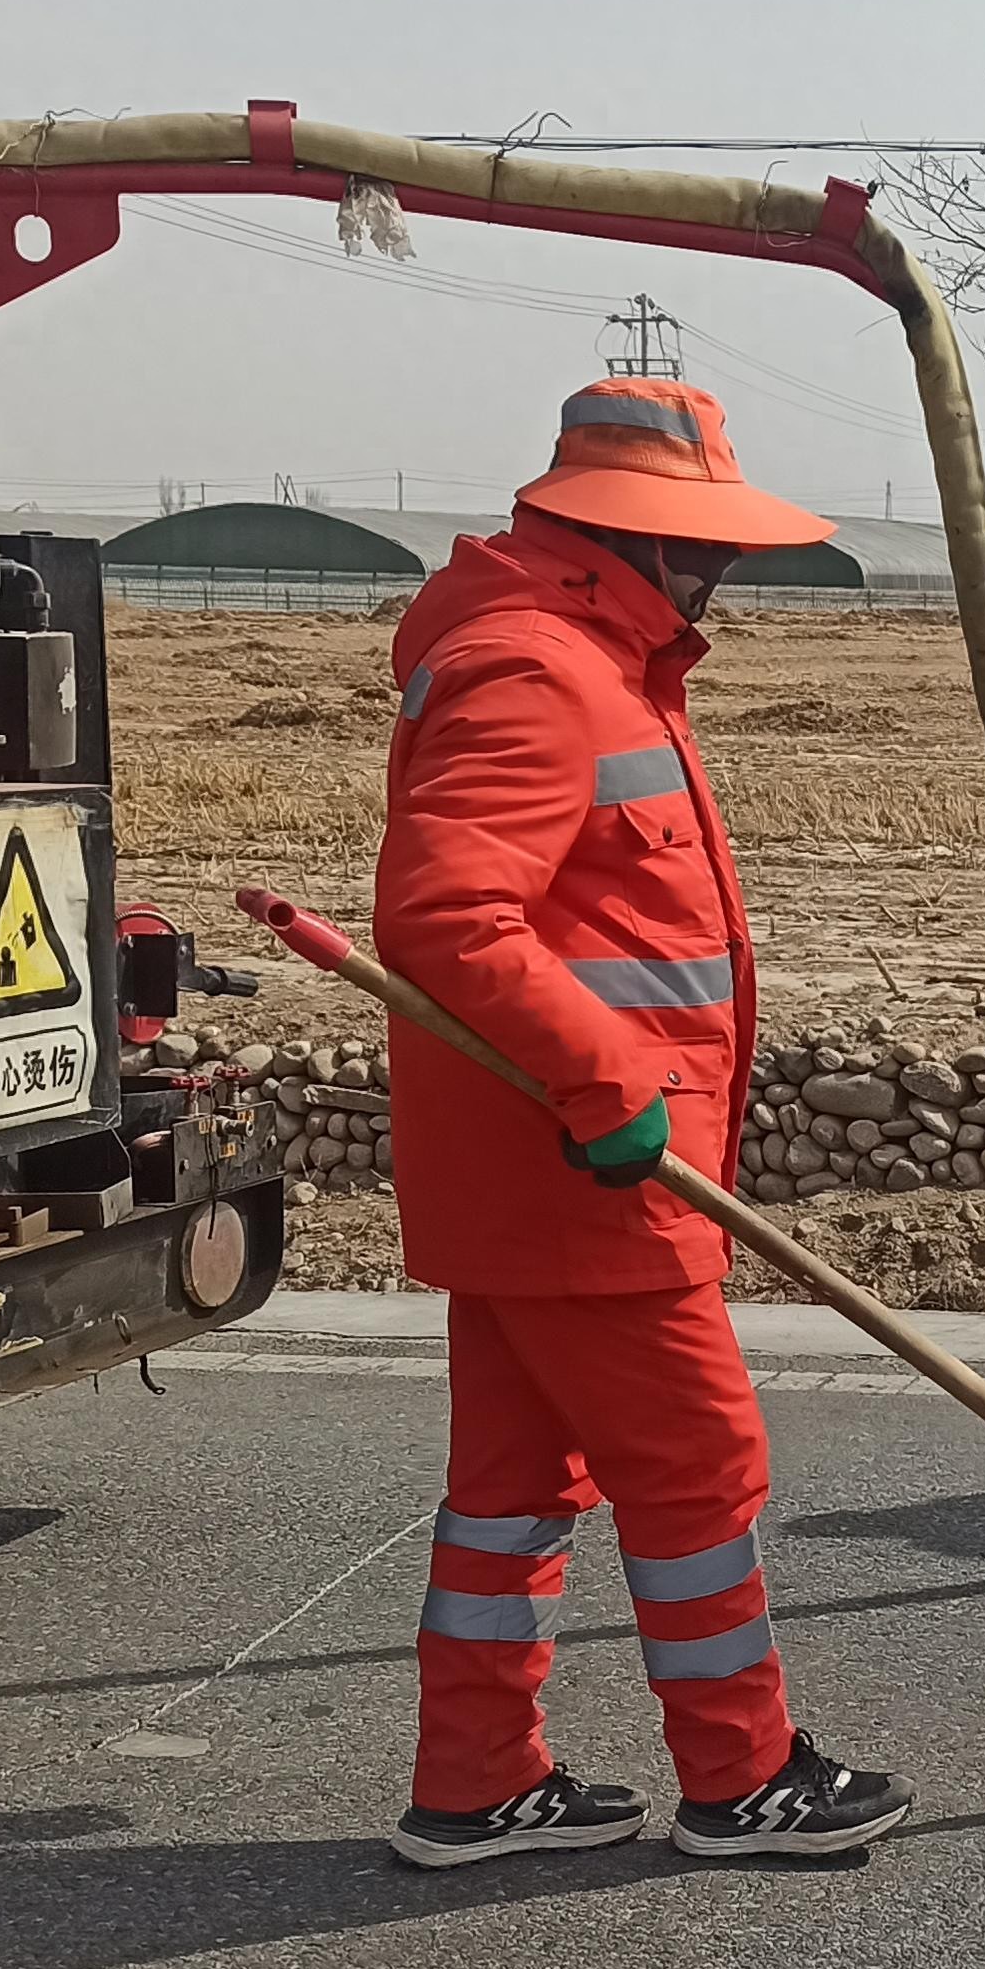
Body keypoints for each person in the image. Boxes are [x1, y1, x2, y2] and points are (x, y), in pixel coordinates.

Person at [373, 377, 912, 1866]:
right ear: (634, 537)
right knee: (699, 1466)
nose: (723, 573)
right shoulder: (539, 669)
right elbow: (446, 917)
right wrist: (609, 1085)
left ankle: (477, 1781)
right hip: (586, 1168)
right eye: (707, 546)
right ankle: (744, 1779)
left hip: (541, 1167)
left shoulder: (587, 657)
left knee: (513, 1488)